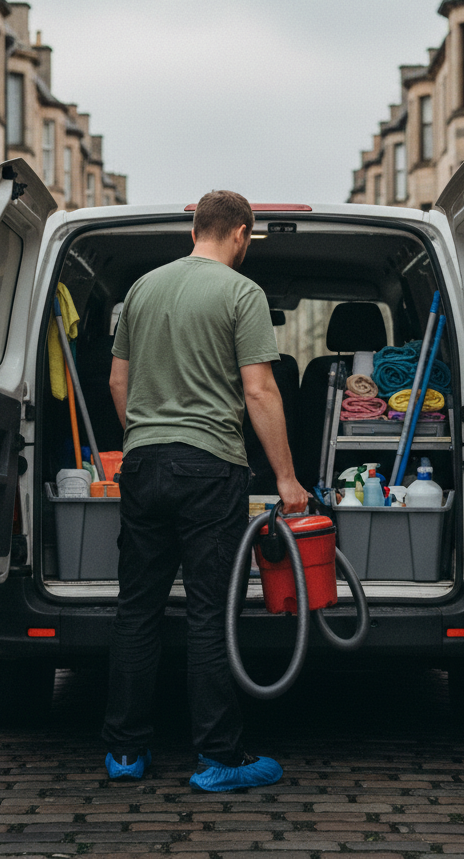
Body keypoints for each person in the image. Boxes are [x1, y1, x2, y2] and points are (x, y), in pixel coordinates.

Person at [103, 189, 307, 791]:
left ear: (195, 227)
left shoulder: (142, 288)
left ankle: (124, 753)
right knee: (207, 614)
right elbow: (261, 391)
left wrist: (145, 434)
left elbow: (118, 378)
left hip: (142, 465)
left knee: (136, 610)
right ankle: (218, 758)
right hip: (209, 466)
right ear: (241, 233)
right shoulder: (241, 293)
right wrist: (289, 480)